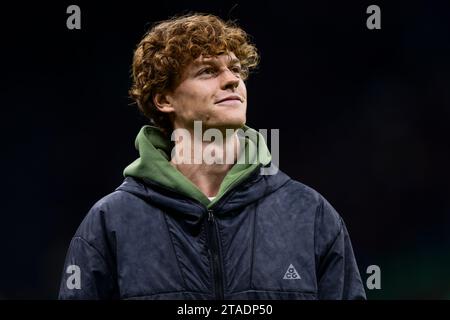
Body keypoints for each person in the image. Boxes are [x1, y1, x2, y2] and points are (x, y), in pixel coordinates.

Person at [58, 13, 366, 300]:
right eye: (208, 71)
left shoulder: (310, 215)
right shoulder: (111, 223)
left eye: (235, 69)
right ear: (165, 99)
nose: (232, 80)